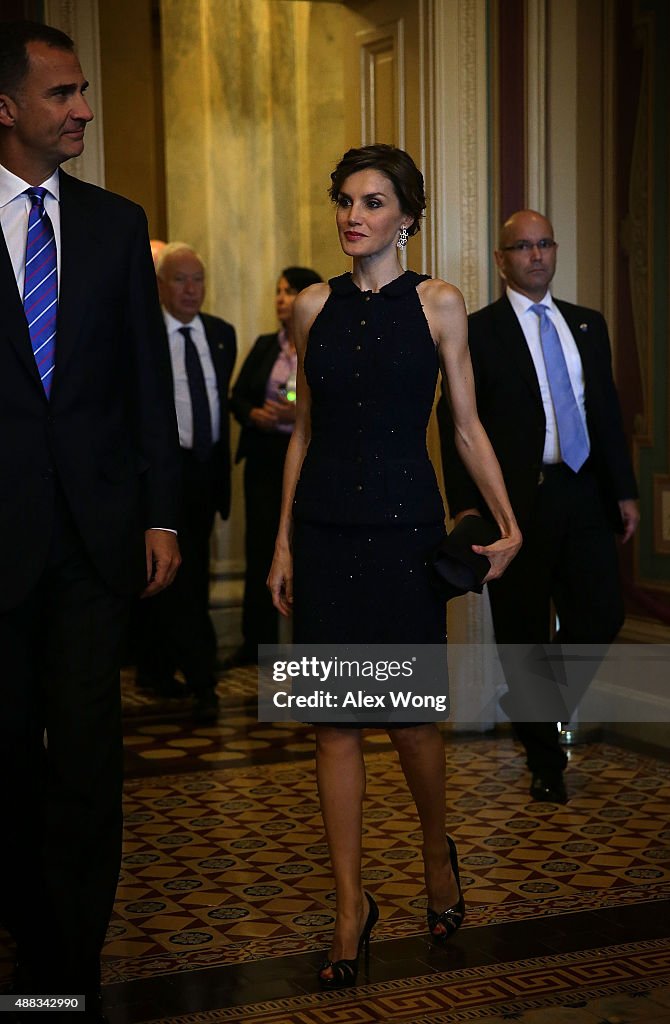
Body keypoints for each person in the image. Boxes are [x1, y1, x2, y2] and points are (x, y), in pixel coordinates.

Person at [268, 145, 521, 988]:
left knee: (412, 724)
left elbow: (465, 426)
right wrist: (280, 543)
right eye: (345, 201)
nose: (353, 216)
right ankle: (351, 908)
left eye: (372, 203)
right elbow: (302, 431)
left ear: (406, 217)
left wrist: (509, 521)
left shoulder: (441, 303)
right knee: (334, 727)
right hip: (326, 530)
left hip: (405, 531)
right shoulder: (310, 307)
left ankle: (434, 854)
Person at [0, 20, 181, 1020]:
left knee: (84, 753)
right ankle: (28, 918)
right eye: (63, 94)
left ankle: (62, 967)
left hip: (95, 538)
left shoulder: (117, 224)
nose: (83, 109)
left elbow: (146, 385)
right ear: (7, 107)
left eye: (82, 91)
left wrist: (161, 515)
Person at [438, 209, 639, 805]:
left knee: (601, 616)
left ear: (555, 250)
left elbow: (605, 411)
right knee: (523, 635)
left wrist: (624, 490)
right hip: (514, 507)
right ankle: (545, 760)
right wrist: (467, 509)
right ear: (501, 260)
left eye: (544, 243)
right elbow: (454, 421)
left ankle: (530, 704)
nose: (536, 255)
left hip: (583, 493)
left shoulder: (587, 324)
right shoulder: (478, 330)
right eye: (522, 247)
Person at [134, 242, 237, 720]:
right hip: (160, 473)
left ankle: (162, 669)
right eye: (180, 279)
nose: (192, 289)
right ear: (160, 286)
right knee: (175, 578)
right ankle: (200, 678)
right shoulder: (142, 332)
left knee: (191, 575)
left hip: (205, 475)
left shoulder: (221, 333)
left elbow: (219, 403)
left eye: (198, 279)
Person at [226, 265, 322, 669]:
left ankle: (310, 646)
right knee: (262, 548)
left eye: (289, 291)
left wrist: (297, 412)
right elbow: (238, 396)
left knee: (307, 551)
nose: (281, 299)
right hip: (266, 459)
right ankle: (256, 642)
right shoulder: (267, 344)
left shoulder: (322, 340)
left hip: (308, 458)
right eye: (279, 291)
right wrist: (255, 414)